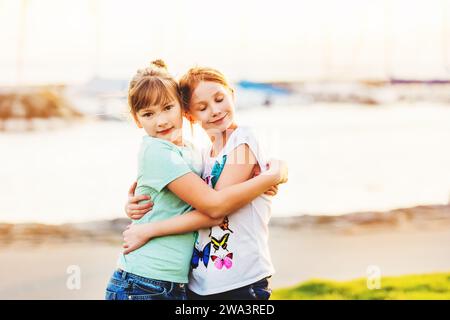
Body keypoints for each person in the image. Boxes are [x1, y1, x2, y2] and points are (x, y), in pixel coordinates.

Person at [106, 60, 287, 300]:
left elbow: (215, 206)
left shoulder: (234, 143)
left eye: (219, 99)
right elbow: (205, 202)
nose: (214, 110)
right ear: (189, 114)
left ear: (232, 94)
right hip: (189, 281)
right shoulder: (198, 155)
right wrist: (269, 178)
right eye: (202, 107)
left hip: (238, 279)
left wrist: (271, 177)